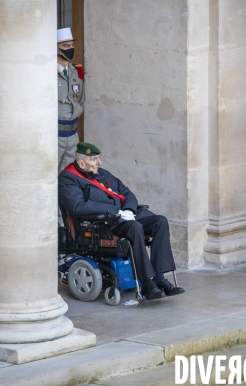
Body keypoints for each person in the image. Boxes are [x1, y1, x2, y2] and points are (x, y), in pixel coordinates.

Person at [58, 142, 185, 300]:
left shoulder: (102, 173)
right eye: (94, 159)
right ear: (81, 163)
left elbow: (126, 192)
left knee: (160, 221)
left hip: (123, 216)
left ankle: (160, 278)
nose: (99, 162)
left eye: (98, 158)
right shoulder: (68, 179)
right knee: (135, 227)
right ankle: (146, 284)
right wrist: (115, 211)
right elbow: (78, 206)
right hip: (101, 223)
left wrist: (129, 210)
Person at [57, 27, 84, 174]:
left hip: (72, 134)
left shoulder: (75, 71)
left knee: (68, 175)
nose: (70, 49)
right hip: (55, 135)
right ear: (56, 49)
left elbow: (80, 98)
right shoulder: (48, 73)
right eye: (65, 46)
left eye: (72, 46)